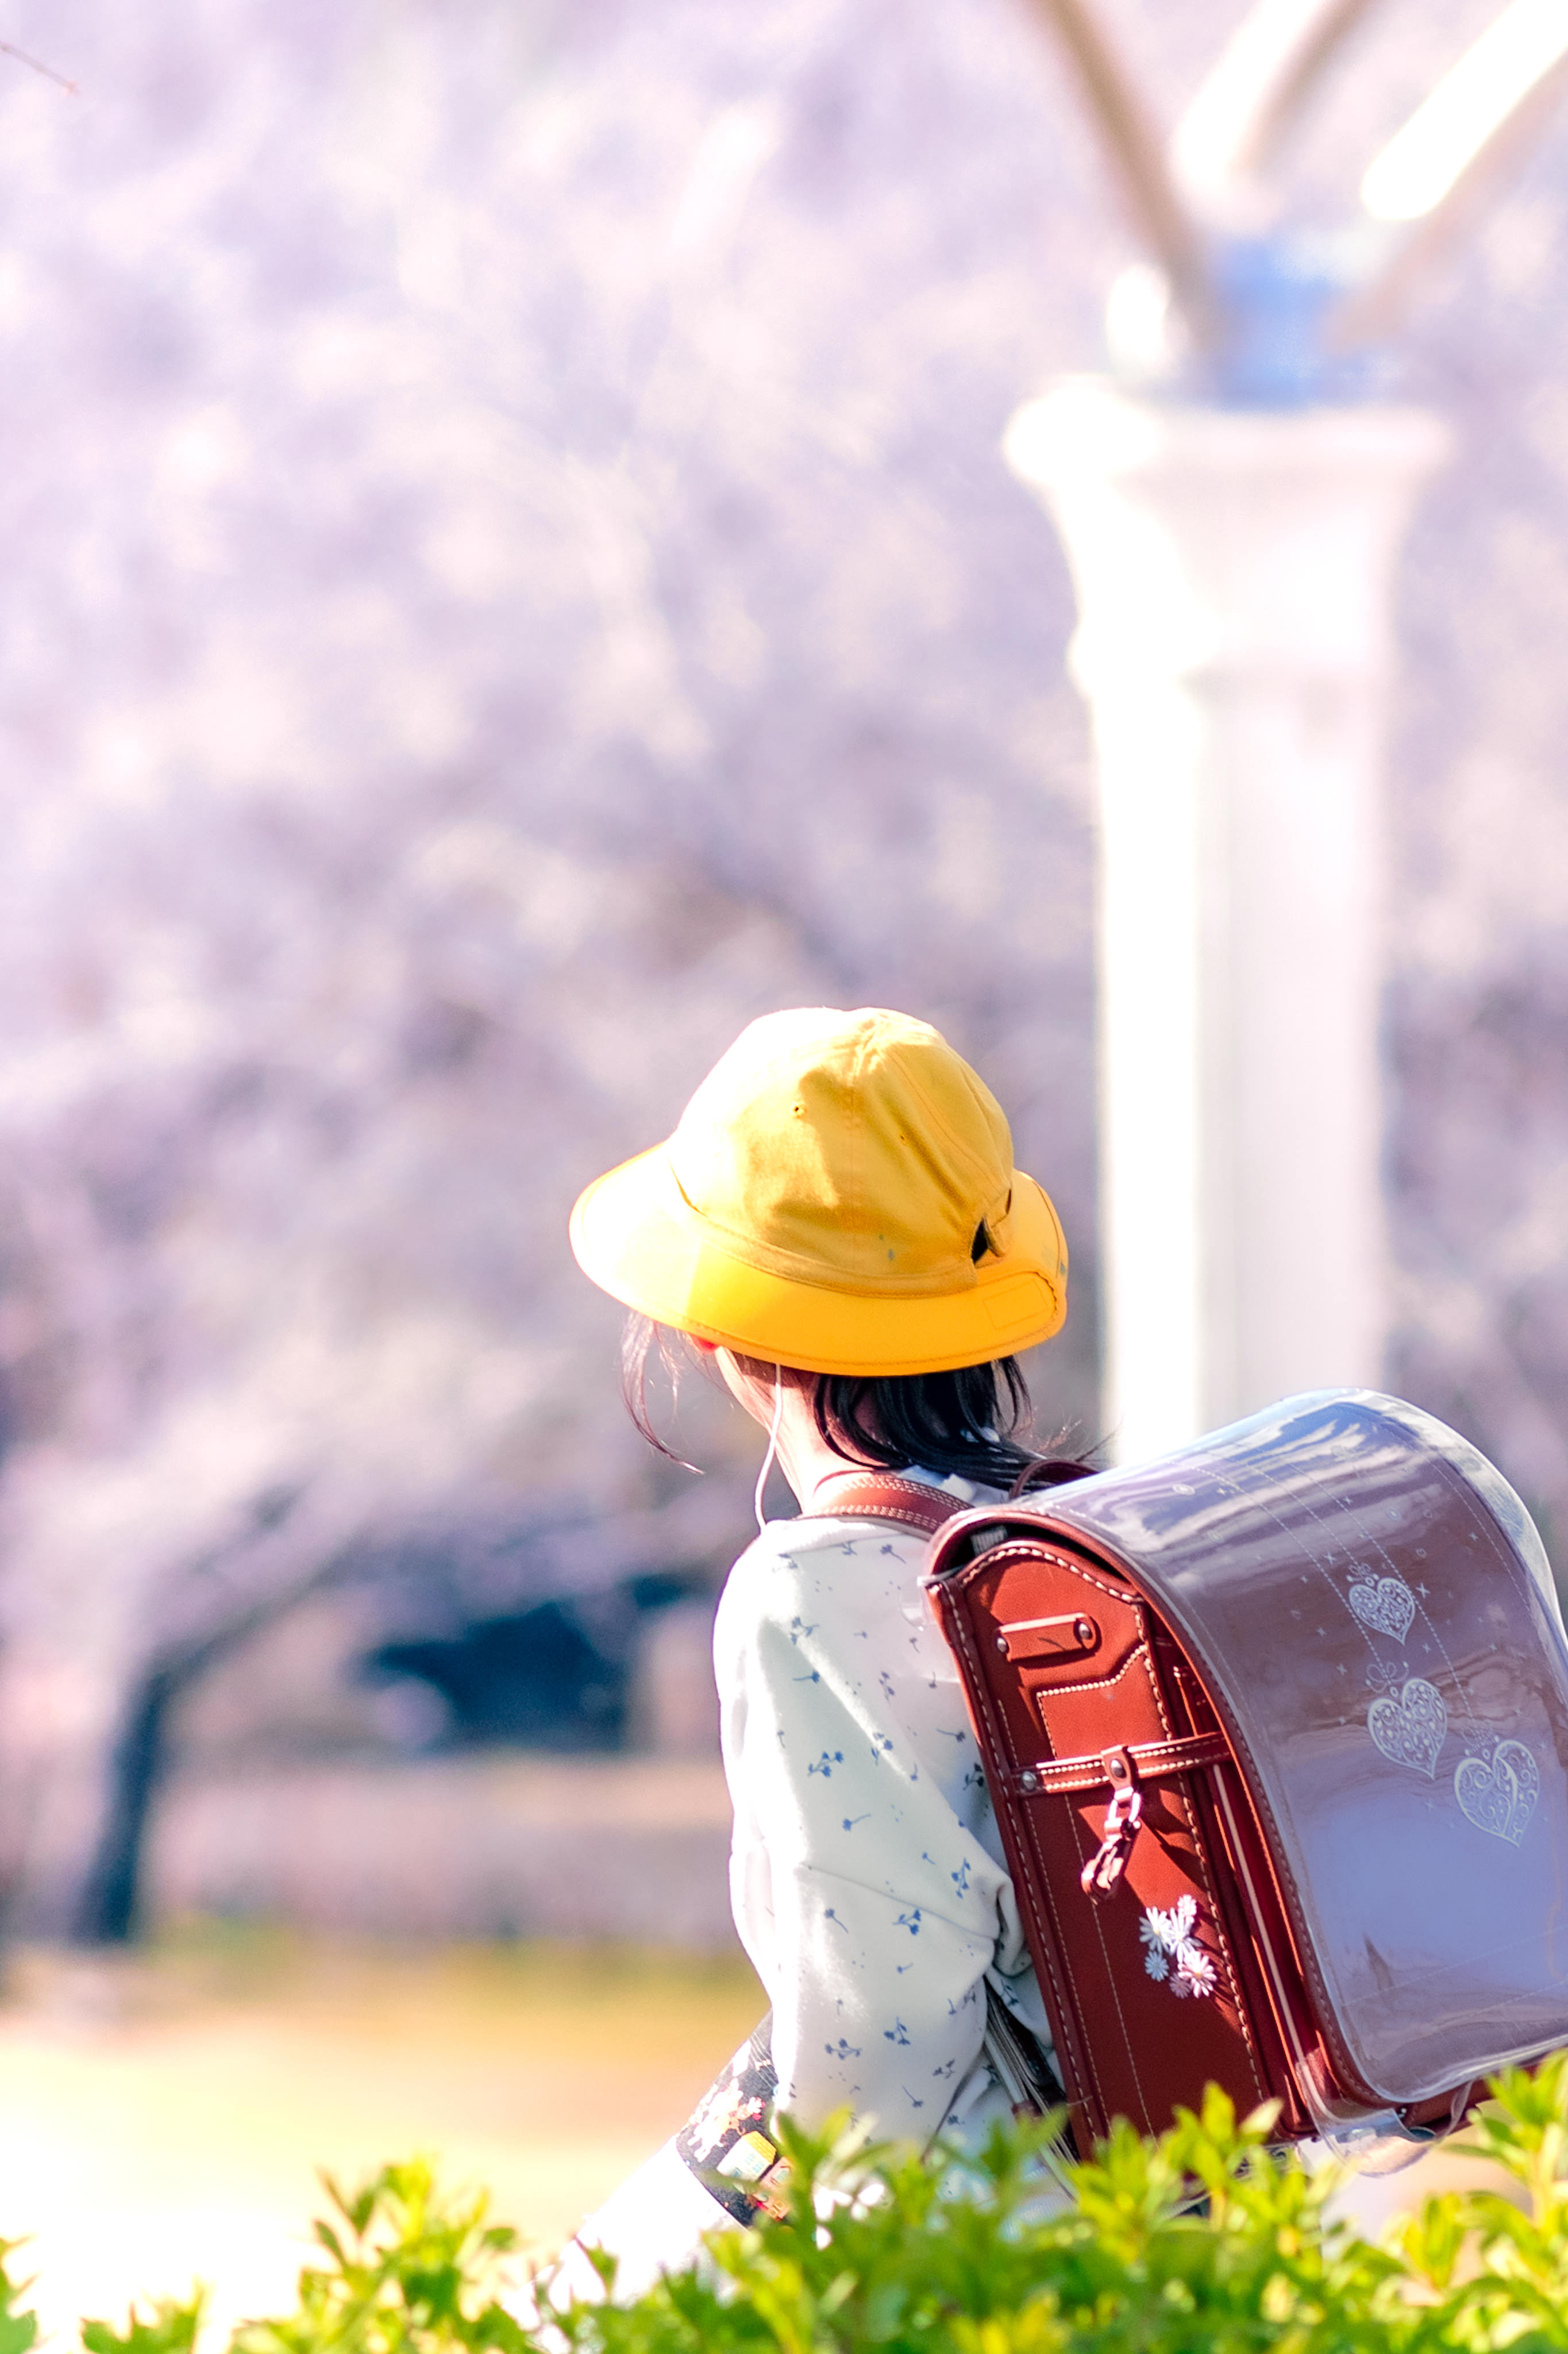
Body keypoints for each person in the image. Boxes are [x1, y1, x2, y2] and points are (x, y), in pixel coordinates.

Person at [551, 1005, 1082, 2299]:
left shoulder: (815, 1592)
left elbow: (877, 2054)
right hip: (1154, 2206)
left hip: (981, 2260)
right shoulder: (1073, 1532)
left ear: (715, 1331)